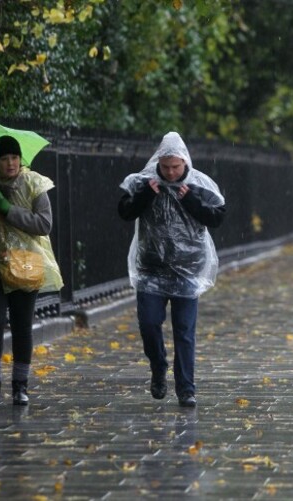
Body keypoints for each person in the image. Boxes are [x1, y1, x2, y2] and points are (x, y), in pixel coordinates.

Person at [117, 132, 226, 407]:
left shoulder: (199, 184)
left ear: (184, 162)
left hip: (188, 271)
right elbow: (125, 212)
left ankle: (186, 389)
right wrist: (145, 196)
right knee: (149, 324)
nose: (171, 172)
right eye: (166, 167)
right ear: (158, 163)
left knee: (184, 331)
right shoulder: (145, 182)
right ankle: (158, 366)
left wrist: (191, 200)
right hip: (151, 269)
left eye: (175, 167)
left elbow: (217, 217)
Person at [0, 135, 63, 408]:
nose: (10, 163)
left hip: (25, 262)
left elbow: (44, 224)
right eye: (4, 158)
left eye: (14, 158)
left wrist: (8, 209)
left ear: (21, 159)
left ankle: (20, 386)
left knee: (21, 325)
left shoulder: (33, 184)